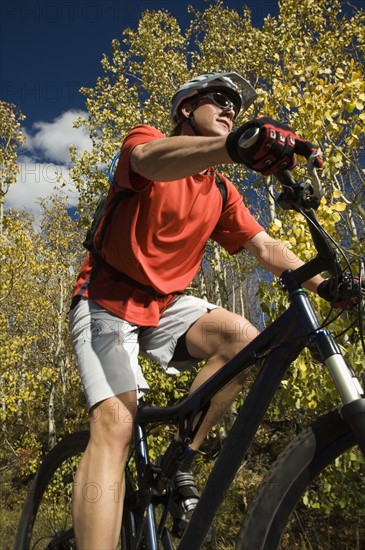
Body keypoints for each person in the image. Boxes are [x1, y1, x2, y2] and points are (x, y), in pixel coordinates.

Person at [69, 72, 325, 549]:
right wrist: (234, 147)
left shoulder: (222, 192)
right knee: (116, 424)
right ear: (187, 108)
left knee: (241, 339)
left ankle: (180, 463)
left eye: (237, 106)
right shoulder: (148, 141)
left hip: (164, 305)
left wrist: (330, 284)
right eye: (219, 99)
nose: (231, 109)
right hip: (106, 298)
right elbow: (150, 162)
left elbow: (268, 250)